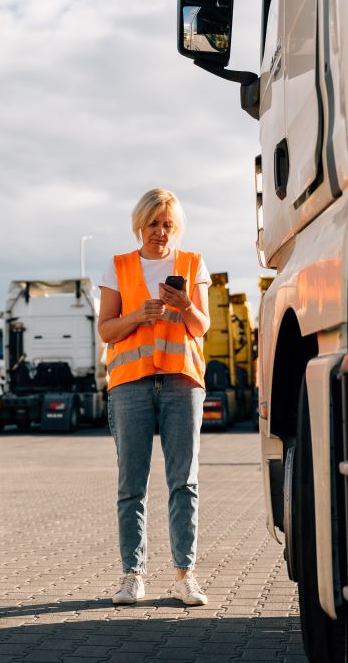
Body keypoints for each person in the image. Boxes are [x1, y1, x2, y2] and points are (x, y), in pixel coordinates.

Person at [98, 188, 211, 606]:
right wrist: (137, 315)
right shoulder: (118, 266)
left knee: (185, 482)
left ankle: (186, 575)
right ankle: (133, 575)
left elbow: (201, 327)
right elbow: (106, 330)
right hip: (130, 385)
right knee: (132, 486)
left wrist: (183, 306)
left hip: (182, 383)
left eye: (167, 224)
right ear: (139, 225)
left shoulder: (193, 264)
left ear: (175, 228)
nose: (160, 232)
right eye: (153, 224)